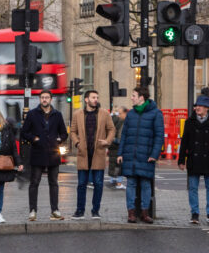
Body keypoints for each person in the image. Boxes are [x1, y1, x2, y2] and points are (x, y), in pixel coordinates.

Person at [117, 86, 164, 224]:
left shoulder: (156, 113)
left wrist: (154, 154)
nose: (131, 97)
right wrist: (120, 153)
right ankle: (131, 213)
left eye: (133, 95)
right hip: (130, 155)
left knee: (145, 184)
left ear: (141, 98)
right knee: (130, 183)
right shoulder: (131, 114)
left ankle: (145, 213)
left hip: (146, 155)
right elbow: (124, 134)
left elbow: (159, 136)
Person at [20, 89, 68, 221]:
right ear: (40, 99)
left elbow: (64, 133)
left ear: (51, 99)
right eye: (42, 98)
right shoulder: (32, 114)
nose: (44, 100)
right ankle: (32, 210)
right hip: (37, 153)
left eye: (47, 97)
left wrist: (59, 139)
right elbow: (24, 132)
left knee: (54, 183)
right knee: (34, 183)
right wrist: (34, 139)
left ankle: (55, 210)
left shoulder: (57, 115)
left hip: (53, 153)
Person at [69, 90, 115, 219]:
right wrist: (77, 143)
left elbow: (111, 129)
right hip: (83, 153)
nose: (96, 99)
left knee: (98, 184)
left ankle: (95, 211)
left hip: (98, 152)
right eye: (93, 97)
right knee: (81, 184)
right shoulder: (77, 114)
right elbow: (72, 131)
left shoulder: (104, 114)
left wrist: (107, 141)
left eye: (97, 97)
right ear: (86, 100)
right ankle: (80, 211)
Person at [177, 94, 209, 224]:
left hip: (208, 160)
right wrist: (181, 160)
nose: (197, 108)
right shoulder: (189, 122)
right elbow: (184, 142)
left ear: (207, 108)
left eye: (200, 106)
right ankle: (194, 213)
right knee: (193, 188)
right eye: (196, 106)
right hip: (193, 159)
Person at [106, 107, 127, 189]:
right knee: (118, 165)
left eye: (120, 113)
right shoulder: (123, 122)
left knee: (113, 164)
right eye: (118, 113)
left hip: (112, 147)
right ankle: (118, 183)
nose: (119, 115)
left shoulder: (113, 120)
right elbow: (120, 138)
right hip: (117, 147)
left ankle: (113, 181)